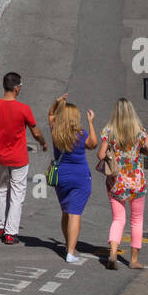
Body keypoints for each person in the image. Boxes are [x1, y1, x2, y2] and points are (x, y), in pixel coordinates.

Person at [0, 72, 48, 244]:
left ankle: (1, 225)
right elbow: (36, 131)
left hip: (1, 156)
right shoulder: (24, 109)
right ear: (16, 88)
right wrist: (43, 142)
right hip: (19, 159)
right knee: (17, 194)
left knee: (2, 189)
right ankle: (10, 232)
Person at [97, 98, 148, 271]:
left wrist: (111, 150)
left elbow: (101, 155)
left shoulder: (109, 131)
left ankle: (113, 254)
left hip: (116, 182)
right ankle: (134, 260)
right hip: (137, 182)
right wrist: (140, 150)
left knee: (118, 219)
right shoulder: (139, 131)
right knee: (137, 220)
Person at [47, 95, 98, 263]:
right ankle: (70, 252)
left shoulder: (56, 131)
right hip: (80, 177)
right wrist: (91, 122)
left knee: (65, 212)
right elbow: (93, 144)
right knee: (75, 214)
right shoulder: (81, 134)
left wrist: (57, 101)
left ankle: (68, 243)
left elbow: (50, 114)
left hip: (61, 177)